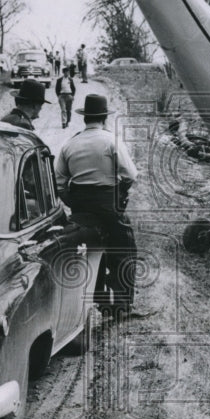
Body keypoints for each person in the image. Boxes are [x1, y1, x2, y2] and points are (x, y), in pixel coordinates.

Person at [55, 93, 139, 318]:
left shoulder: (70, 143)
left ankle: (97, 297)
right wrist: (120, 194)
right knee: (124, 248)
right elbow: (130, 174)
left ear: (85, 118)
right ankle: (121, 304)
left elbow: (59, 182)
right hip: (107, 203)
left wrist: (72, 202)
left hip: (81, 205)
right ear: (104, 118)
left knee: (89, 247)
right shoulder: (111, 141)